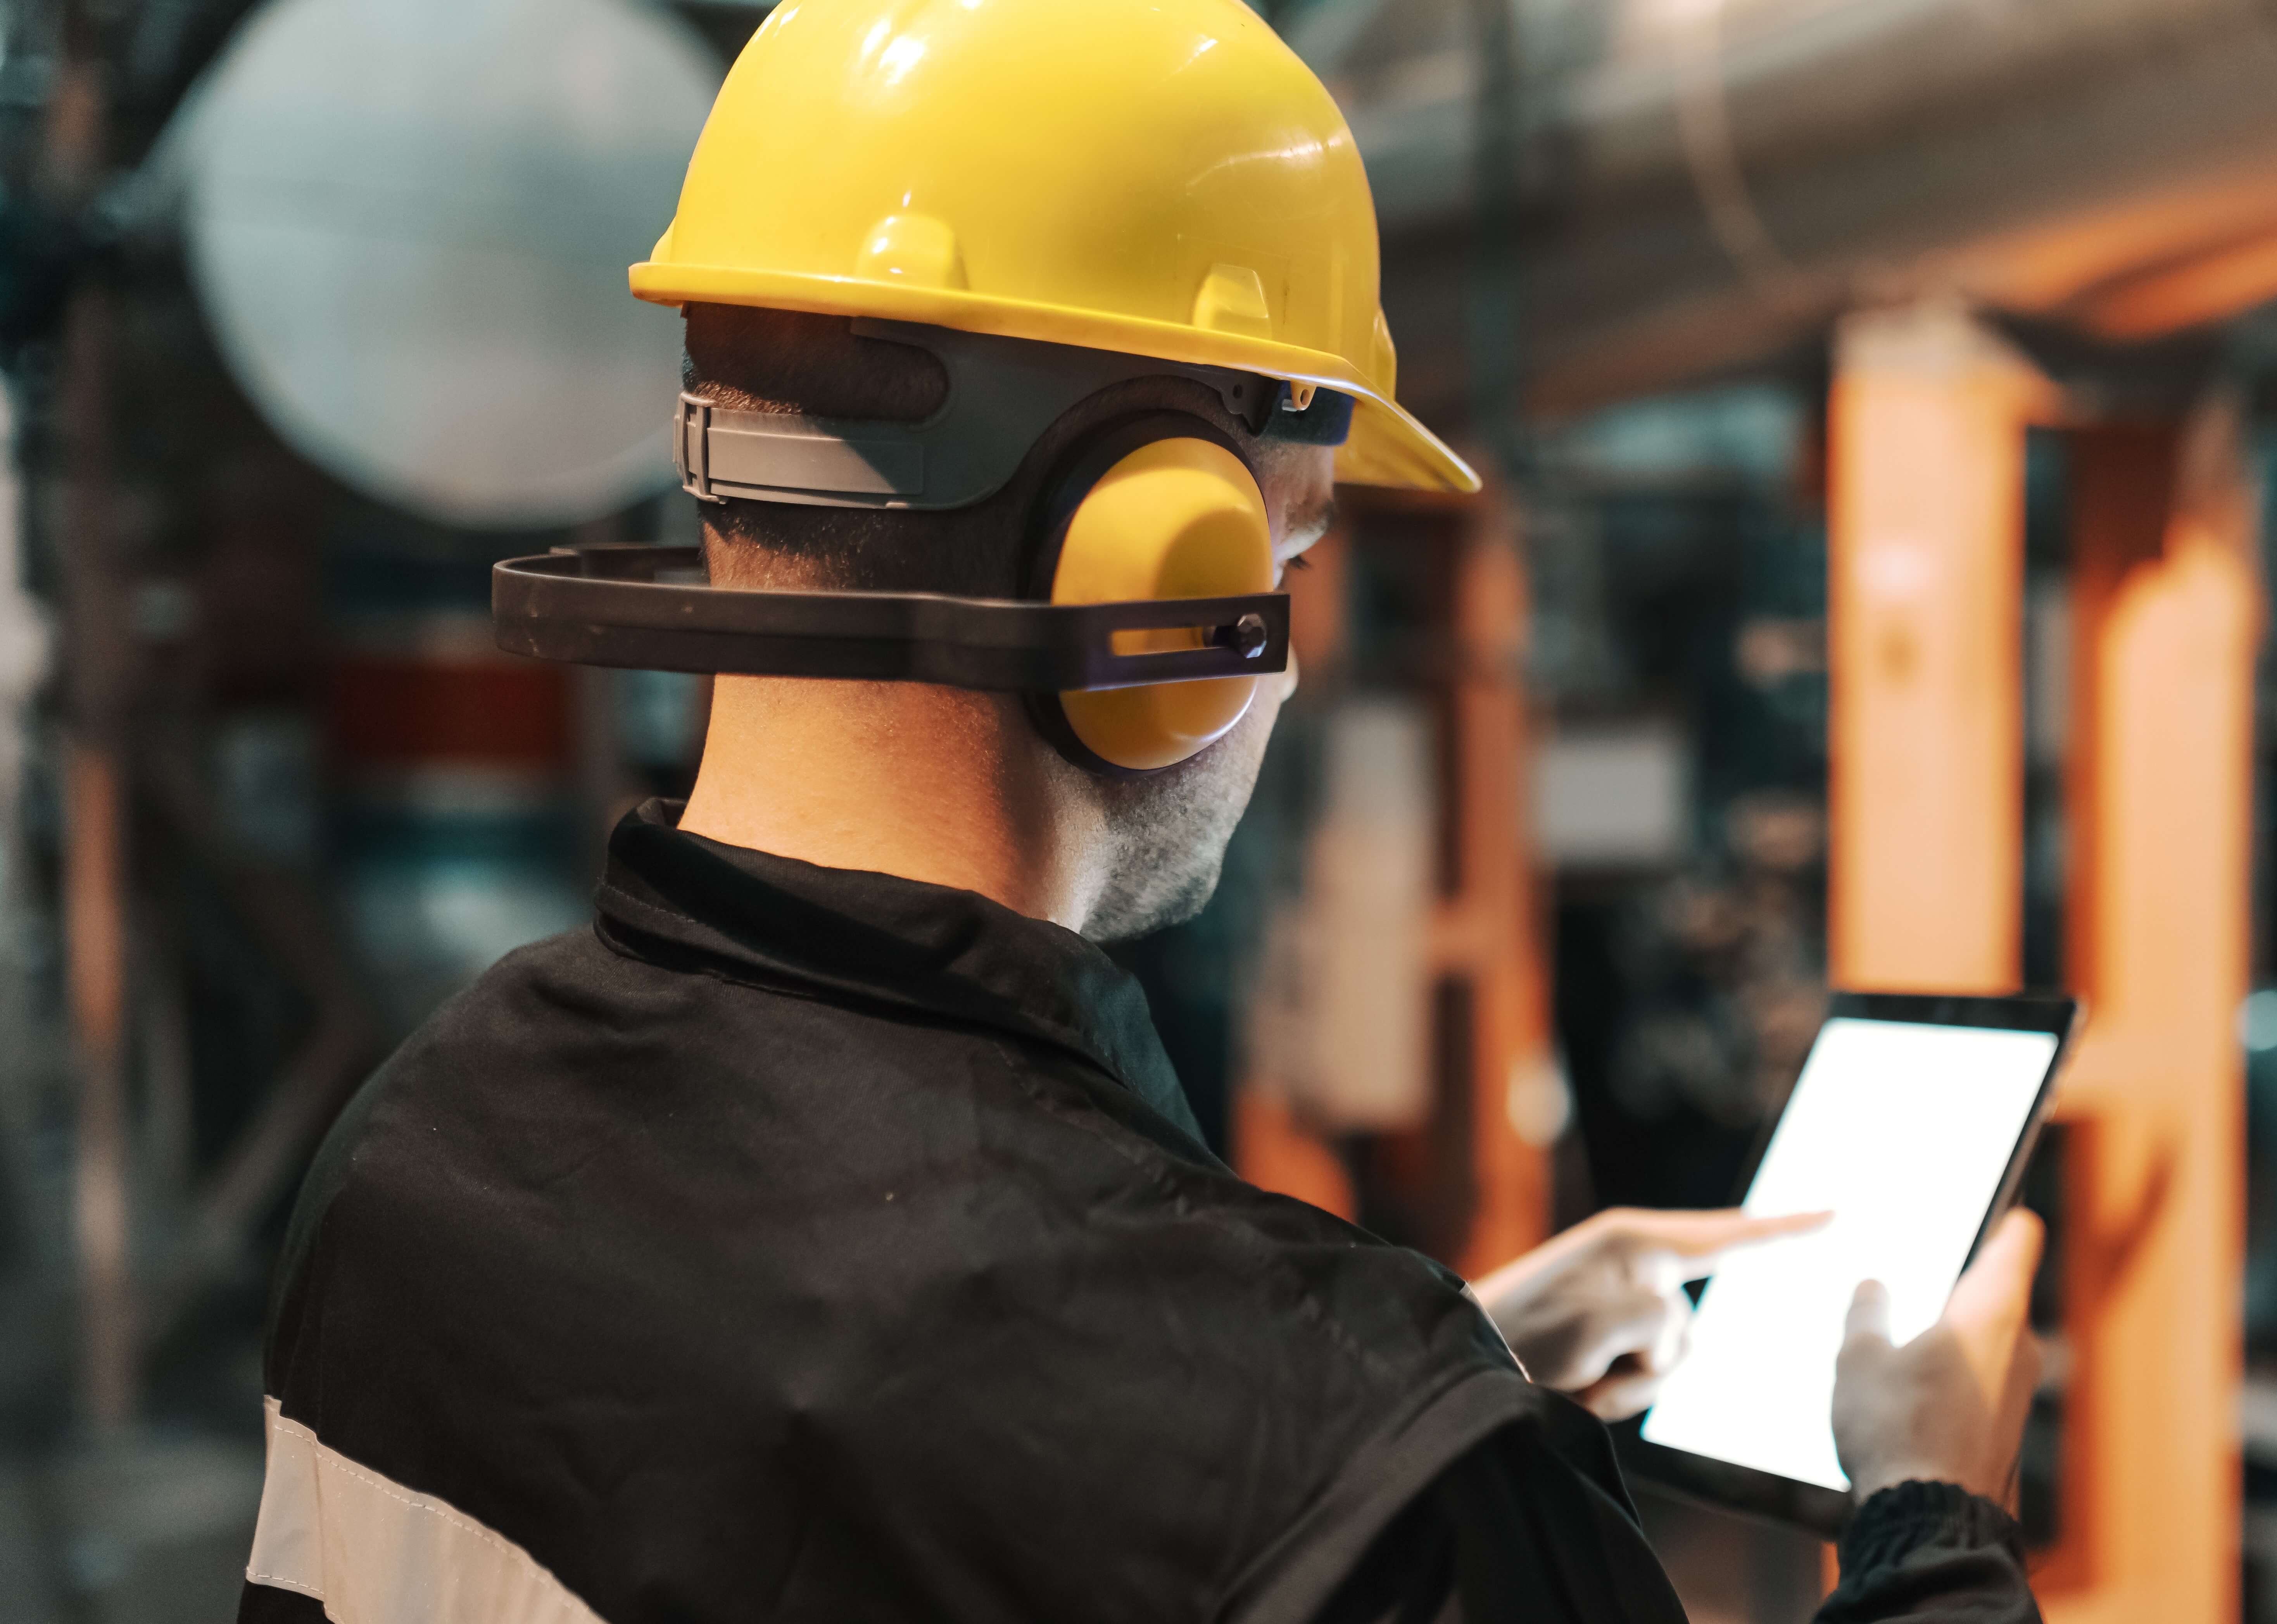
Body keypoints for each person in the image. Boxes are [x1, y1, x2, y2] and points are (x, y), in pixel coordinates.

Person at [238, 3, 2045, 1621]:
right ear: (1155, 576)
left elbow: (867, 1483)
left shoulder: (418, 1150)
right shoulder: (1356, 1492)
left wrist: (1447, 1362)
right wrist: (1924, 1508)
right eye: (1297, 542)